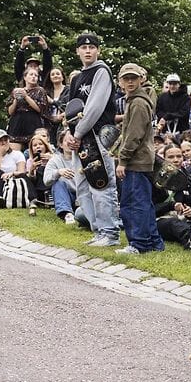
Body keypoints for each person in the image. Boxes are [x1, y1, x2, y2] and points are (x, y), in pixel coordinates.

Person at [61, 33, 121, 247]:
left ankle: (110, 232)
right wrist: (69, 133)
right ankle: (98, 230)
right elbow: (71, 111)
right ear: (77, 51)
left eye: (92, 47)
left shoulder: (102, 71)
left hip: (98, 136)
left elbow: (95, 107)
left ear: (98, 51)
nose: (88, 51)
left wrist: (76, 134)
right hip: (80, 139)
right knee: (83, 185)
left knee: (101, 182)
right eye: (83, 48)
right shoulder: (77, 78)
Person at [113, 63, 165, 254]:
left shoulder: (137, 102)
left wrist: (123, 160)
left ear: (141, 79)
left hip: (136, 160)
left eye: (133, 78)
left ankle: (138, 244)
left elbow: (134, 135)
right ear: (120, 82)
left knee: (133, 204)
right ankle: (153, 242)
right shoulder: (137, 100)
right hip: (142, 159)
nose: (129, 82)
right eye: (126, 78)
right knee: (144, 203)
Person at [7, 67, 48, 149]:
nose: (34, 77)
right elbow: (10, 112)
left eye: (36, 75)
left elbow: (40, 109)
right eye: (31, 74)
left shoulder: (40, 90)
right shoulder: (16, 91)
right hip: (17, 123)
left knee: (34, 149)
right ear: (25, 77)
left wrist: (26, 96)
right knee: (15, 152)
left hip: (33, 122)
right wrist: (15, 98)